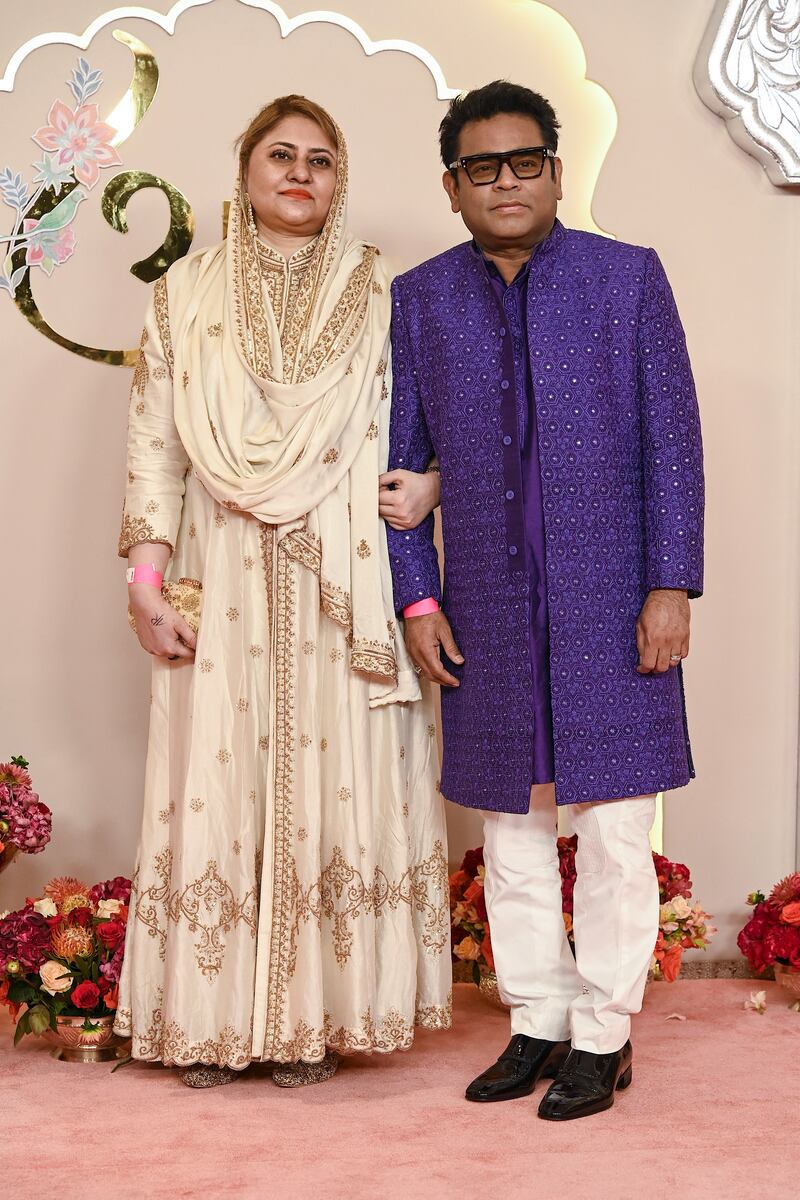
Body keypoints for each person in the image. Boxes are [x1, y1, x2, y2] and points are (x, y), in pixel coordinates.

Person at [115, 95, 450, 1088]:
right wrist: (144, 578)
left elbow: (421, 423)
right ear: (246, 167)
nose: (299, 173)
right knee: (212, 784)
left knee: (333, 786)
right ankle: (210, 1020)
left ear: (337, 179)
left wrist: (432, 485)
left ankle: (312, 1023)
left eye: (319, 159)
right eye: (280, 155)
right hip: (212, 573)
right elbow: (152, 442)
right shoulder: (184, 292)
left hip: (337, 576)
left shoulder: (382, 290)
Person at [386, 81, 704, 1121]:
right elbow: (401, 472)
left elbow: (673, 445)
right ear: (451, 187)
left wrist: (669, 586)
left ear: (556, 173)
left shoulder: (625, 281)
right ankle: (535, 1019)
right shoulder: (422, 299)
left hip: (609, 599)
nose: (505, 182)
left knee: (613, 830)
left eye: (524, 162)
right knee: (509, 830)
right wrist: (418, 601)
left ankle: (603, 1034)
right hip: (482, 601)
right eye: (482, 168)